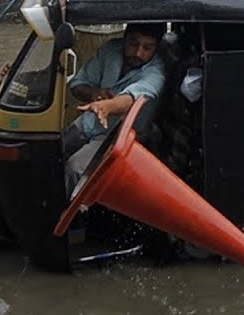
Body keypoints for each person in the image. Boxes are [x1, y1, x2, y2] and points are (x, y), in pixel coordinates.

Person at [62, 22, 168, 194]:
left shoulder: (156, 73)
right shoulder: (110, 50)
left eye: (147, 48)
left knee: (76, 168)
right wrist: (93, 94)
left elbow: (131, 99)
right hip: (88, 122)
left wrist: (107, 106)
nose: (138, 53)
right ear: (124, 38)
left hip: (119, 136)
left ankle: (68, 210)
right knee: (52, 153)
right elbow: (77, 84)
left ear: (156, 49)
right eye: (133, 43)